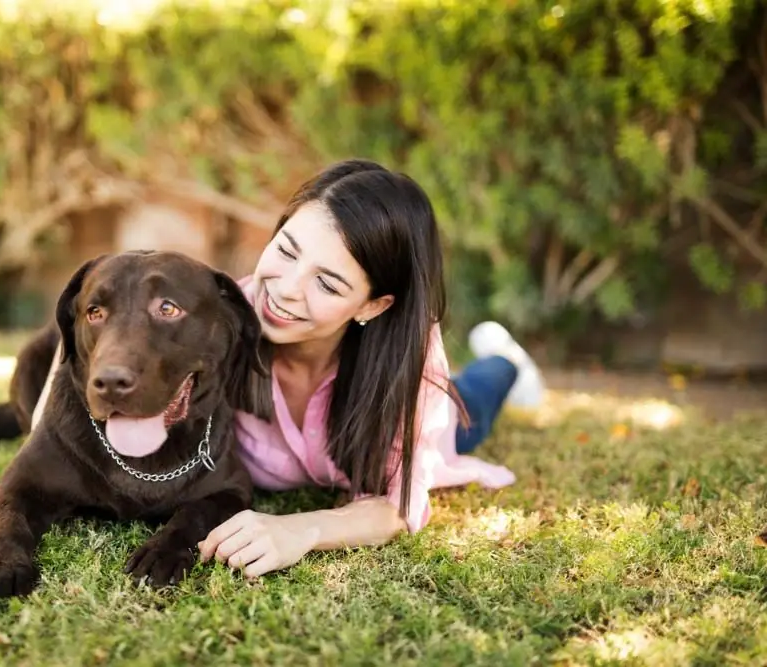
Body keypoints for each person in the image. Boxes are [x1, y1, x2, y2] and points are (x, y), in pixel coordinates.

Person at [32, 159, 545, 580]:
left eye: (327, 284)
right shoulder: (219, 317)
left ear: (373, 305)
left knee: (476, 395)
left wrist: (300, 530)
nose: (285, 290)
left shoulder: (408, 374)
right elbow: (93, 331)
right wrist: (44, 429)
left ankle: (508, 360)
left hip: (438, 408)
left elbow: (398, 507)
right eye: (287, 250)